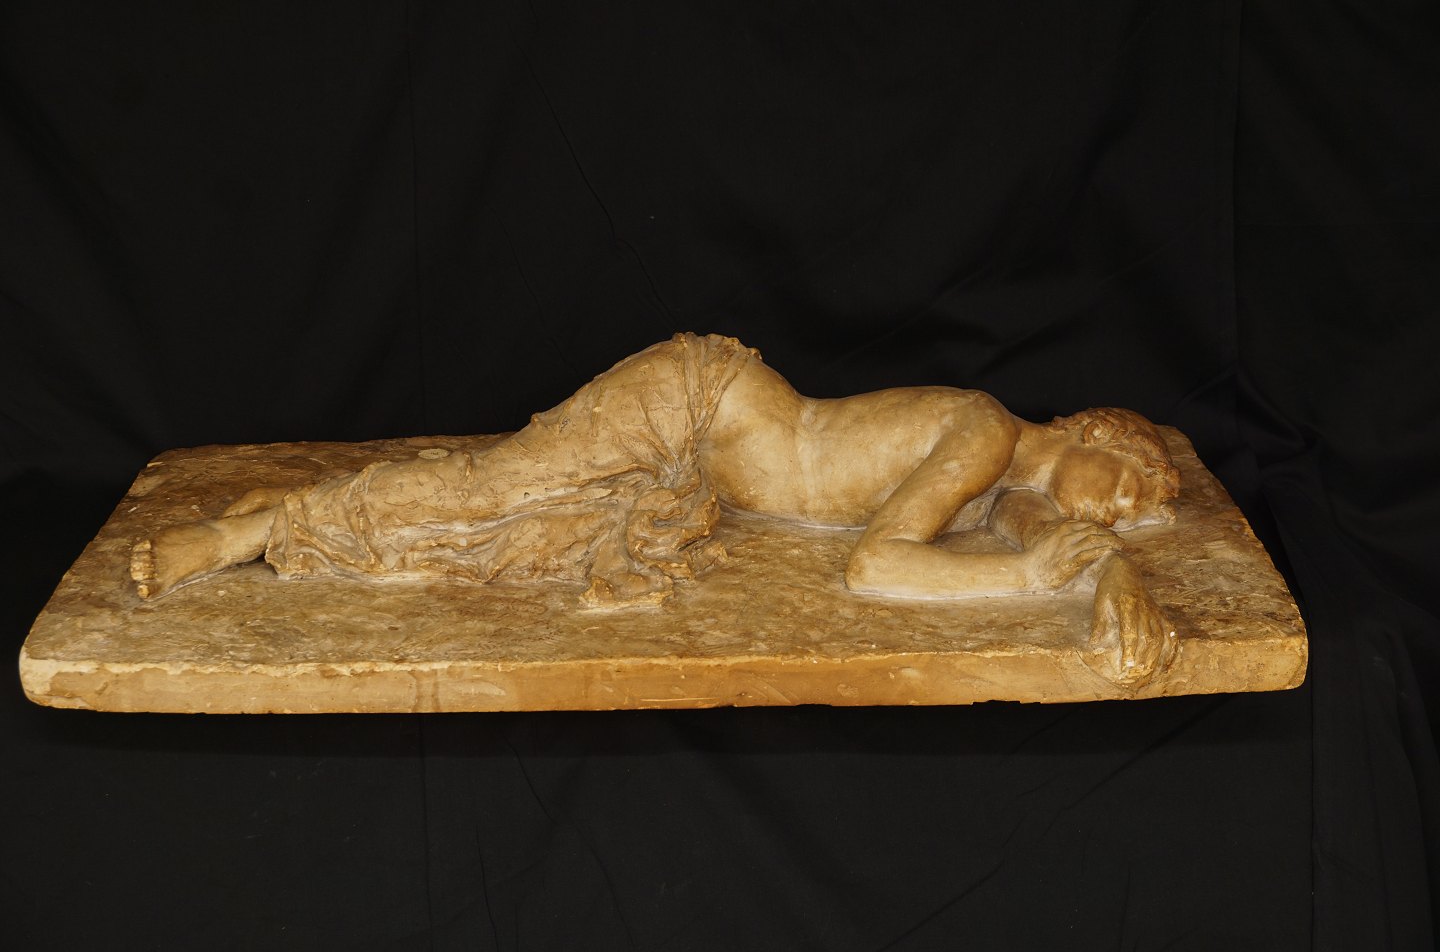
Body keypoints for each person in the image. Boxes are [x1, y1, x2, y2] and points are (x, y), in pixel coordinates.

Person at [131, 333, 1181, 685]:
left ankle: (305, 506)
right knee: (494, 492)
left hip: (705, 471)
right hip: (697, 407)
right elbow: (876, 567)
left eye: (1135, 511)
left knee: (505, 512)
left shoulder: (1007, 484)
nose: (1123, 509)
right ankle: (239, 533)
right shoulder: (988, 433)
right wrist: (1028, 577)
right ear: (1089, 431)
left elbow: (1054, 542)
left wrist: (1114, 577)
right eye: (1132, 483)